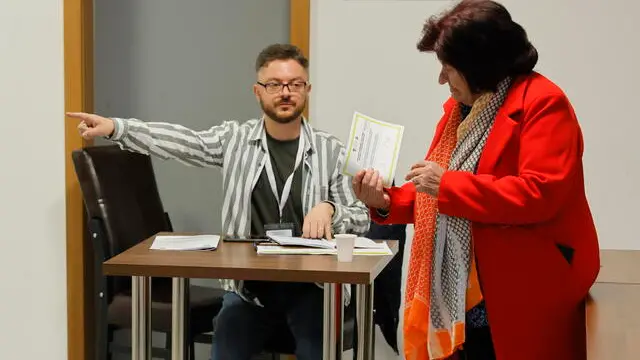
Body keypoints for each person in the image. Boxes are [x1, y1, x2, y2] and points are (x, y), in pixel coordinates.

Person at [68, 43, 369, 360]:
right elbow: (184, 142)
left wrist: (330, 209)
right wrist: (119, 128)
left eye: (295, 84)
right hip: (249, 287)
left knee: (316, 348)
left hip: (312, 287)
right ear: (257, 91)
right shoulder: (235, 139)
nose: (286, 93)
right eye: (275, 85)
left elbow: (361, 217)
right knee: (227, 347)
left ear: (307, 90)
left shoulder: (331, 150)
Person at [352, 1, 600, 359]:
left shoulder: (545, 103)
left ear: (480, 65)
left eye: (448, 68)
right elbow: (430, 191)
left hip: (527, 286)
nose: (441, 79)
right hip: (466, 293)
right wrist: (386, 202)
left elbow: (539, 193)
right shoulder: (461, 109)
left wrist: (448, 185)